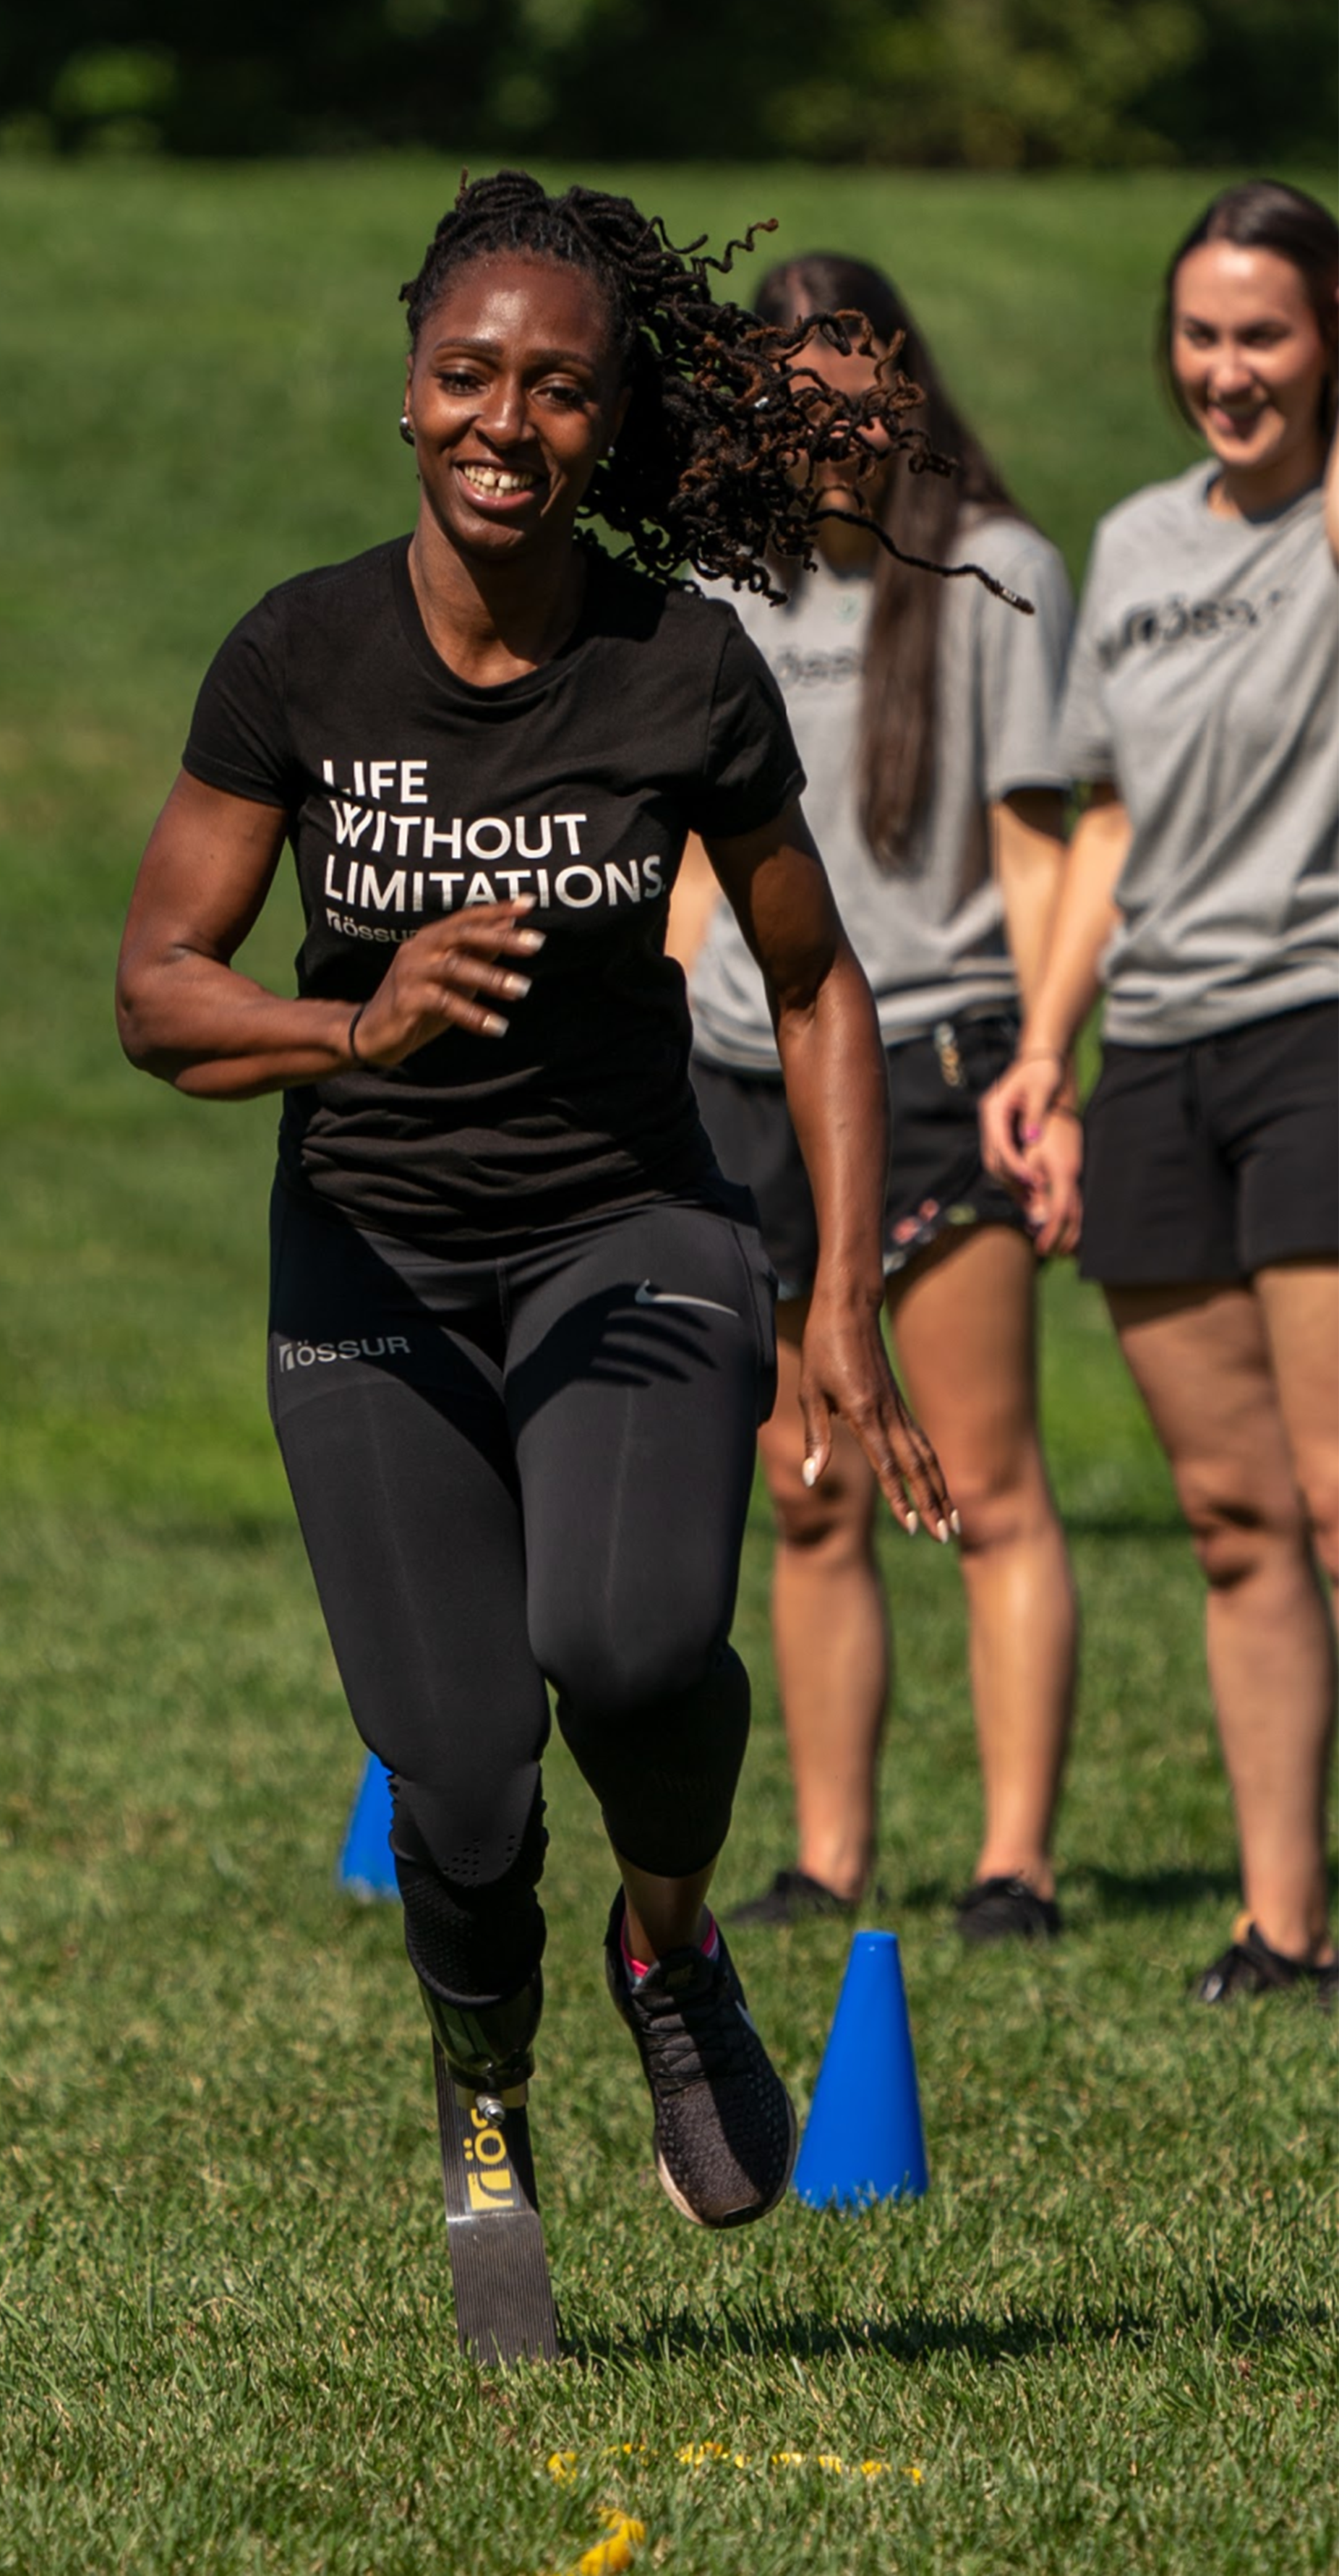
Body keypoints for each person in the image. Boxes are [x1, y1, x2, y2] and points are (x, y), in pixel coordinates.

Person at [116, 171, 952, 2230]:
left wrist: (841, 1301)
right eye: (467, 375)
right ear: (406, 397)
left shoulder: (683, 670)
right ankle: (484, 2089)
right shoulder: (298, 656)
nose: (507, 419)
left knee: (633, 1641)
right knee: (465, 1774)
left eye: (558, 389)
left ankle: (667, 1948)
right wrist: (355, 1029)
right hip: (377, 1254)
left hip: (631, 1229)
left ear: (611, 424)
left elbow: (817, 980)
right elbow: (158, 989)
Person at [670, 254, 1079, 1944]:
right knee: (808, 1484)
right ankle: (827, 1852)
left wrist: (1054, 1061)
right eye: (788, 407)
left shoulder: (997, 568)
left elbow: (1042, 850)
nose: (824, 439)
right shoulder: (717, 589)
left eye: (851, 403)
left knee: (981, 1474)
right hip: (742, 1076)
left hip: (938, 1063)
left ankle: (1014, 1864)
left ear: (903, 387)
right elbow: (689, 856)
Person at [984, 179, 1339, 2003]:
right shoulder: (1132, 545)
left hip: (1322, 1032)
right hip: (1160, 1054)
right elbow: (1099, 820)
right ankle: (1285, 1925)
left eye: (1265, 330)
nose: (1227, 368)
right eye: (1200, 333)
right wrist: (1047, 1053)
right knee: (1231, 1515)